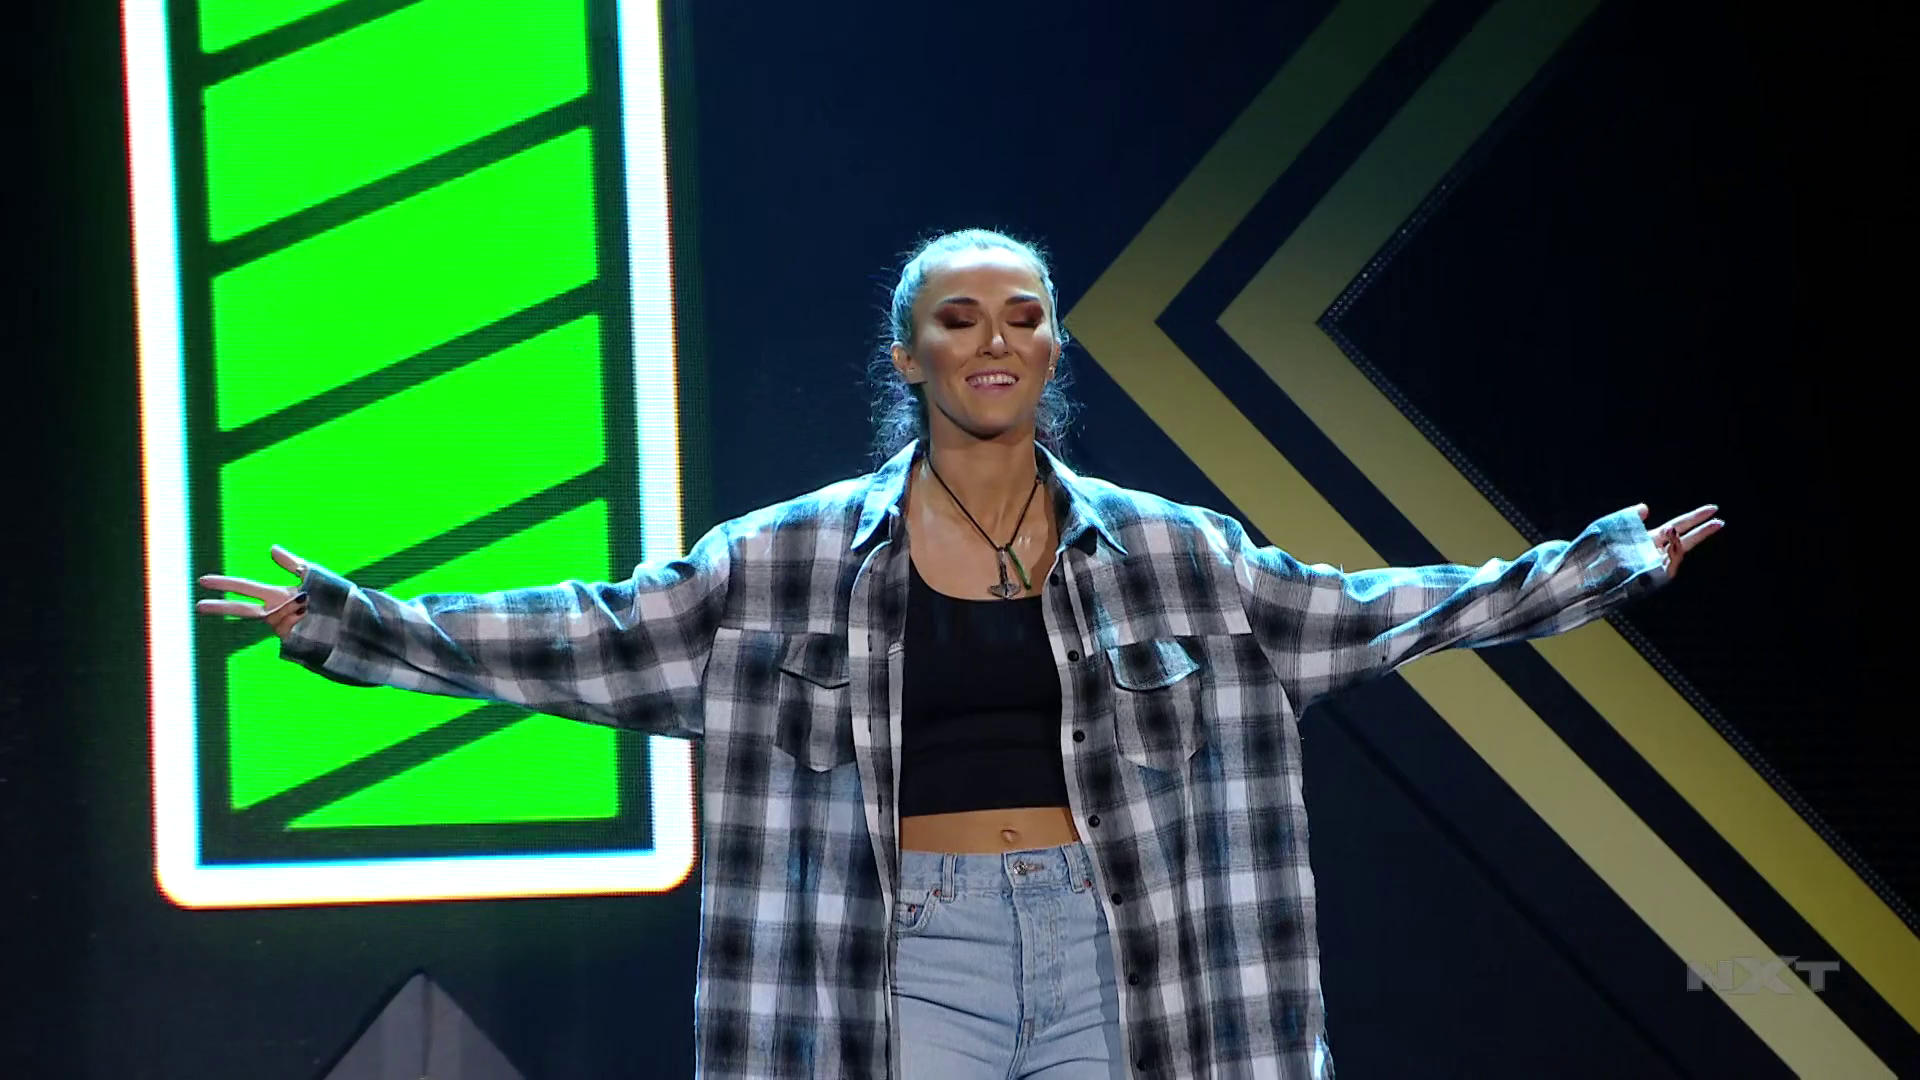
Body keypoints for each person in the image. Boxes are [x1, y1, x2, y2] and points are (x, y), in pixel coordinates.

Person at [197, 228, 1720, 1079]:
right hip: (901, 953)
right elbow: (596, 634)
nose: (993, 337)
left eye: (1022, 315)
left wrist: (1598, 566)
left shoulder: (1177, 551)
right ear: (909, 353)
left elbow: (1378, 612)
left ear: (1053, 348)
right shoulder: (787, 555)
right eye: (958, 317)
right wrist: (351, 623)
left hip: (1124, 942)